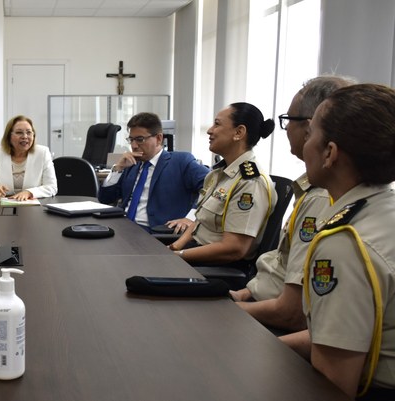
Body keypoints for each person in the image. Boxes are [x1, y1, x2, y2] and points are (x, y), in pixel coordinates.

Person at [279, 84, 395, 400]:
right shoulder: (384, 210)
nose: (304, 144)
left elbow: (333, 383)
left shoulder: (344, 242)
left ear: (330, 153)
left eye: (311, 132)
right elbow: (344, 337)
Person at [231, 76, 354, 333]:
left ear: (310, 128)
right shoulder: (313, 190)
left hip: (273, 323)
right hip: (257, 300)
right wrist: (243, 295)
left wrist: (228, 311)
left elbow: (292, 314)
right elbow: (279, 269)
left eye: (288, 120)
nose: (285, 129)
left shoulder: (322, 197)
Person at [169, 102, 277, 265]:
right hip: (194, 254)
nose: (209, 130)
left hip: (215, 268)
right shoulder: (219, 174)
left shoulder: (250, 182)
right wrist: (175, 246)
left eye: (217, 124)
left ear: (239, 132)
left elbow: (235, 248)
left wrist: (180, 255)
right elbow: (201, 221)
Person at [98, 112, 209, 230]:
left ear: (159, 138)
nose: (134, 145)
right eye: (131, 140)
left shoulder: (181, 161)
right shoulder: (131, 164)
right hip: (124, 227)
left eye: (140, 139)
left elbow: (211, 187)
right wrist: (118, 168)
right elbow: (105, 199)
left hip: (157, 232)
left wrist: (191, 218)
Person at [0, 115, 57, 201]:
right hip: (3, 206)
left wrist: (29, 192)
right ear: (9, 136)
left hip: (33, 208)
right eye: (19, 132)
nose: (25, 136)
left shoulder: (43, 153)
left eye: (29, 132)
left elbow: (52, 187)